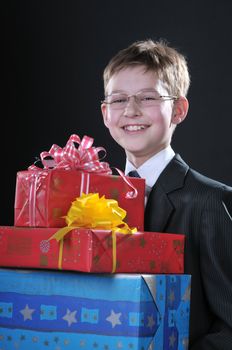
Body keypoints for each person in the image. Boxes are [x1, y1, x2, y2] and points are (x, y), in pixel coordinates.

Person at [101, 39, 232, 349]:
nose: (131, 111)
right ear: (106, 113)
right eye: (118, 100)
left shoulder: (211, 203)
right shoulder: (92, 200)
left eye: (148, 97)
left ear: (179, 109)